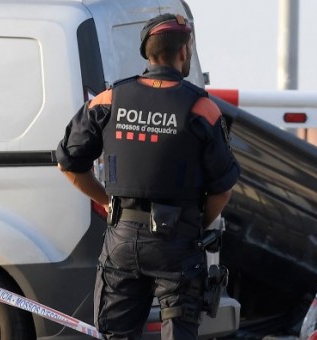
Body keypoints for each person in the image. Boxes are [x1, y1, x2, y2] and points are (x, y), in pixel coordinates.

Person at [55, 13, 240, 339]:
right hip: (178, 245)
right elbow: (222, 189)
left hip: (122, 240)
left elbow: (68, 161)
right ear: (184, 52)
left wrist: (108, 202)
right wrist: (199, 224)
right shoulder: (201, 109)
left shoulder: (110, 100)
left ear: (147, 52)